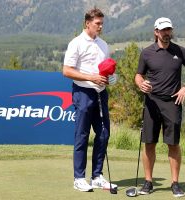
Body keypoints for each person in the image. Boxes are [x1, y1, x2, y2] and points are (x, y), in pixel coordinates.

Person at [135, 17, 185, 198]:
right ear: (156, 32)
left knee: (173, 143)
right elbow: (138, 75)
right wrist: (141, 84)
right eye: (163, 30)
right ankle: (148, 182)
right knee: (149, 143)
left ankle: (175, 183)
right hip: (151, 102)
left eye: (169, 30)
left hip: (173, 103)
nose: (167, 33)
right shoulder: (147, 53)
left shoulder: (180, 51)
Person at [63, 7, 117, 192]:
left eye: (102, 23)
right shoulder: (76, 43)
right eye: (97, 23)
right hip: (83, 93)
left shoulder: (103, 45)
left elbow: (105, 70)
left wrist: (110, 79)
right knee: (82, 135)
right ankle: (79, 177)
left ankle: (97, 176)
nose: (100, 27)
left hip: (101, 93)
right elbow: (67, 70)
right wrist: (91, 78)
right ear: (87, 23)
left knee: (103, 134)